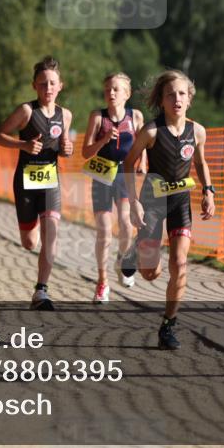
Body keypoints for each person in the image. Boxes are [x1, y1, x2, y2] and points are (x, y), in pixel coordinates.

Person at [119, 70, 215, 350]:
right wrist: (134, 200)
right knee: (152, 273)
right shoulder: (150, 131)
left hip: (180, 202)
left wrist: (209, 191)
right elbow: (128, 164)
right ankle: (135, 250)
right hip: (152, 202)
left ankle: (168, 326)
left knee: (180, 264)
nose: (177, 99)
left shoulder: (197, 131)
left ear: (189, 99)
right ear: (161, 100)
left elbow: (200, 162)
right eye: (171, 94)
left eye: (182, 93)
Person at [0, 56, 74, 310]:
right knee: (30, 243)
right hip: (26, 182)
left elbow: (63, 149)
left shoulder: (66, 115)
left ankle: (41, 291)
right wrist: (23, 145)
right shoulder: (26, 111)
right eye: (42, 84)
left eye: (52, 84)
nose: (47, 89)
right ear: (34, 86)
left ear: (60, 85)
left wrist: (67, 149)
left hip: (51, 181)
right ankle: (32, 233)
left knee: (51, 233)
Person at [81, 72, 146, 303]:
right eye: (108, 89)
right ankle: (102, 283)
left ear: (127, 94)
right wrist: (104, 139)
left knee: (128, 225)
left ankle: (122, 260)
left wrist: (144, 161)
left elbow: (143, 142)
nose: (111, 93)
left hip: (125, 174)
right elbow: (85, 152)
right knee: (104, 231)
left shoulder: (135, 116)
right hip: (102, 174)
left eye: (116, 89)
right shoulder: (98, 117)